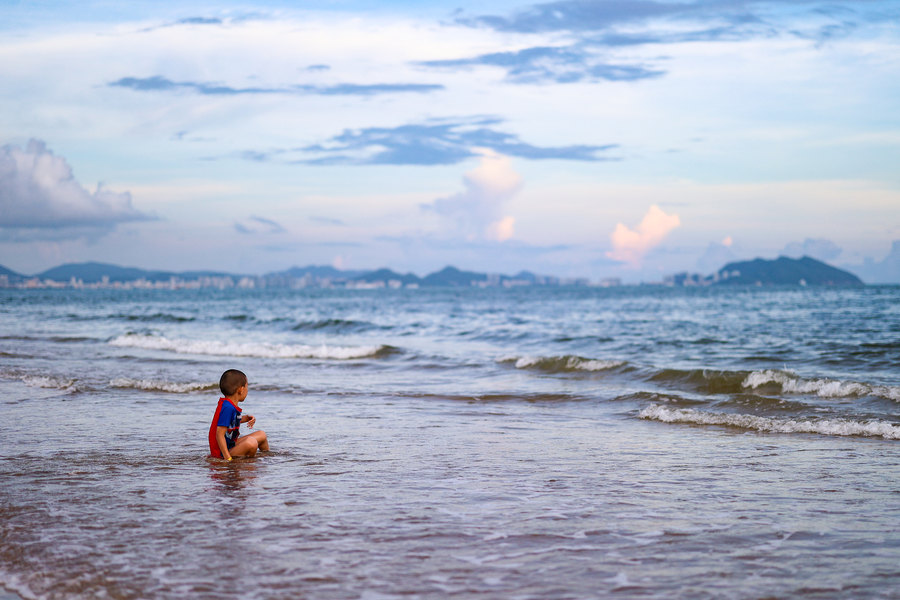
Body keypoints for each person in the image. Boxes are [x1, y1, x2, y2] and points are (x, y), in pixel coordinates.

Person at [208, 369, 269, 460]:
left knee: (262, 435)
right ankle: (248, 462)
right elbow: (219, 434)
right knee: (251, 443)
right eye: (247, 387)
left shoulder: (230, 405)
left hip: (230, 445)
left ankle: (267, 458)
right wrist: (227, 458)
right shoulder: (228, 408)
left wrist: (247, 418)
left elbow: (231, 421)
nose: (247, 391)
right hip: (222, 452)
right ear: (241, 389)